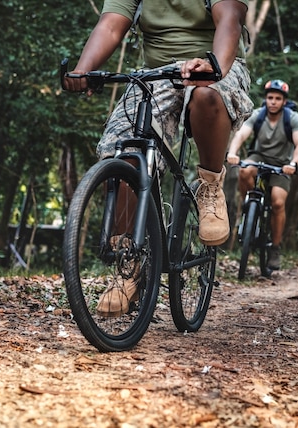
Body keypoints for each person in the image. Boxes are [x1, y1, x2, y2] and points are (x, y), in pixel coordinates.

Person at [64, 0, 253, 316]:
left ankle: (209, 185)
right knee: (124, 155)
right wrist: (83, 70)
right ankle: (130, 263)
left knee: (206, 96)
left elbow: (230, 18)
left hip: (217, 65)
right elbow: (111, 25)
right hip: (155, 74)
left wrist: (214, 65)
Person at [226, 79, 298, 270]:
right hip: (259, 157)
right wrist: (232, 153)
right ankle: (249, 204)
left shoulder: (292, 119)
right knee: (245, 170)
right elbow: (240, 134)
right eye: (270, 97)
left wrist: (294, 163)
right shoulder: (258, 115)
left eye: (278, 98)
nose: (273, 101)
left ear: (284, 101)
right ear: (266, 99)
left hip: (282, 164)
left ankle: (275, 249)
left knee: (278, 202)